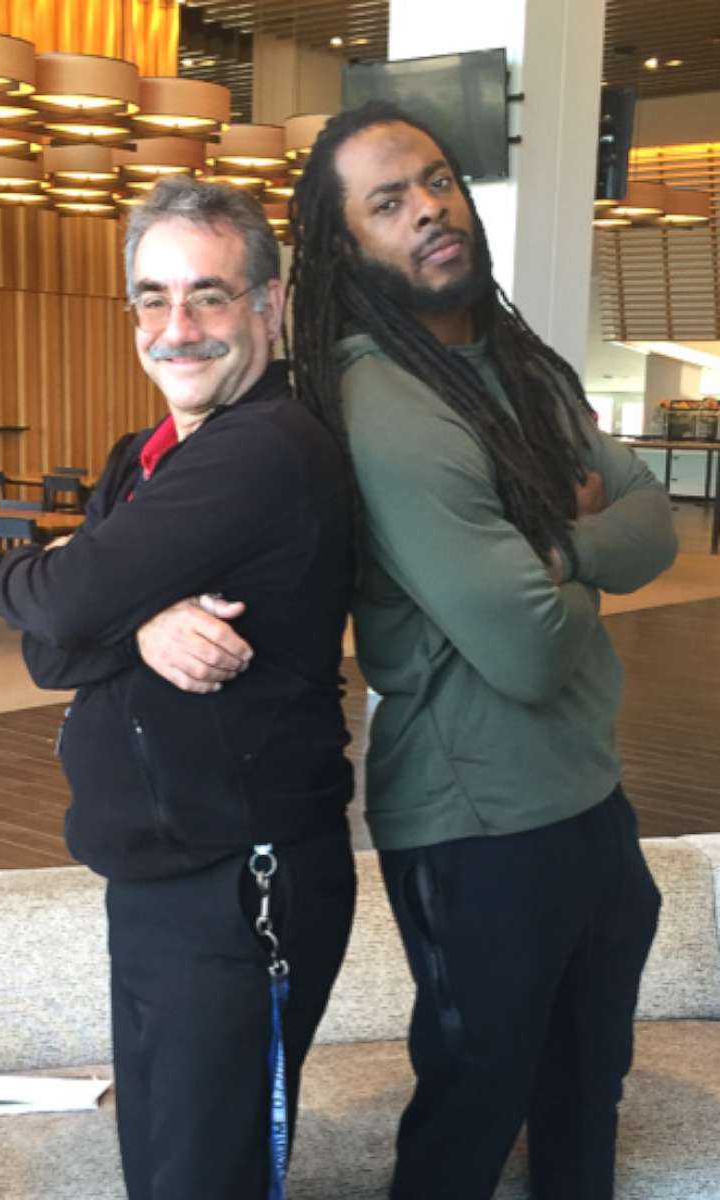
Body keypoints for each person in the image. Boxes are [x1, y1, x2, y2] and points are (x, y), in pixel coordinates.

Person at [282, 102, 678, 1199]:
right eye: (389, 202)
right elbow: (528, 647)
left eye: (438, 181)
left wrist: (554, 545)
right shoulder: (387, 403)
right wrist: (579, 555)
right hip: (476, 829)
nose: (428, 211)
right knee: (473, 1108)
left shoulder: (521, 361)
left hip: (590, 800)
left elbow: (654, 524)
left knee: (587, 1092)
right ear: (346, 244)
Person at [0, 175, 356, 1200]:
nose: (177, 326)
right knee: (158, 1169)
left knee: (206, 1178)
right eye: (153, 297)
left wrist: (90, 597)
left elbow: (59, 613)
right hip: (154, 872)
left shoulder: (264, 450)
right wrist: (142, 619)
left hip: (241, 887)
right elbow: (50, 650)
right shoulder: (139, 456)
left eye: (210, 294)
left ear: (270, 307)